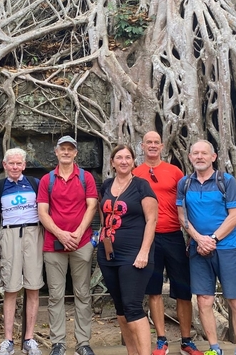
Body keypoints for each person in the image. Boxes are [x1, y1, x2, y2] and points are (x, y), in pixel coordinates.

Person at [133, 132, 202, 355]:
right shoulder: (135, 173)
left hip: (173, 235)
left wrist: (192, 233)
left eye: (156, 143)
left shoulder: (175, 172)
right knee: (153, 290)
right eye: (148, 143)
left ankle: (186, 340)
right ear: (142, 146)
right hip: (149, 239)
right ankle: (161, 339)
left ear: (162, 146)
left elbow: (187, 204)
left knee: (183, 289)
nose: (152, 146)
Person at [176, 140, 236, 355]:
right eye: (195, 153)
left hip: (226, 248)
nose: (199, 157)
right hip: (198, 249)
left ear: (213, 157)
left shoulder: (226, 181)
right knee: (204, 300)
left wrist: (212, 240)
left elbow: (235, 217)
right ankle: (214, 348)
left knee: (235, 299)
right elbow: (182, 216)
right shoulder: (184, 183)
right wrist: (199, 239)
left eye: (204, 153)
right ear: (189, 157)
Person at [37, 136, 98, 355]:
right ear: (56, 152)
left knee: (82, 293)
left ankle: (83, 342)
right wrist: (62, 235)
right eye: (62, 149)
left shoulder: (86, 177)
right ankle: (58, 343)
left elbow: (92, 206)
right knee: (55, 295)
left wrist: (78, 233)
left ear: (75, 153)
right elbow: (42, 212)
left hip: (81, 243)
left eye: (69, 149)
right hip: (54, 245)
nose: (65, 152)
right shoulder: (47, 180)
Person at [97, 144, 157, 355]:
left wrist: (144, 252)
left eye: (128, 157)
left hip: (134, 255)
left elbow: (151, 220)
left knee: (132, 306)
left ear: (133, 161)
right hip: (108, 254)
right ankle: (132, 352)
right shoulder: (106, 186)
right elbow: (104, 218)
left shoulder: (142, 186)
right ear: (112, 162)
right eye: (119, 157)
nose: (123, 161)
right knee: (120, 308)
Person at [0, 148, 43, 355]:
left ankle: (29, 338)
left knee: (33, 287)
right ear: (4, 165)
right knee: (11, 288)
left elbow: (45, 210)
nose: (15, 167)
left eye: (18, 163)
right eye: (11, 163)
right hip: (9, 235)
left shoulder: (34, 184)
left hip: (33, 233)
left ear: (24, 165)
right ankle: (8, 340)